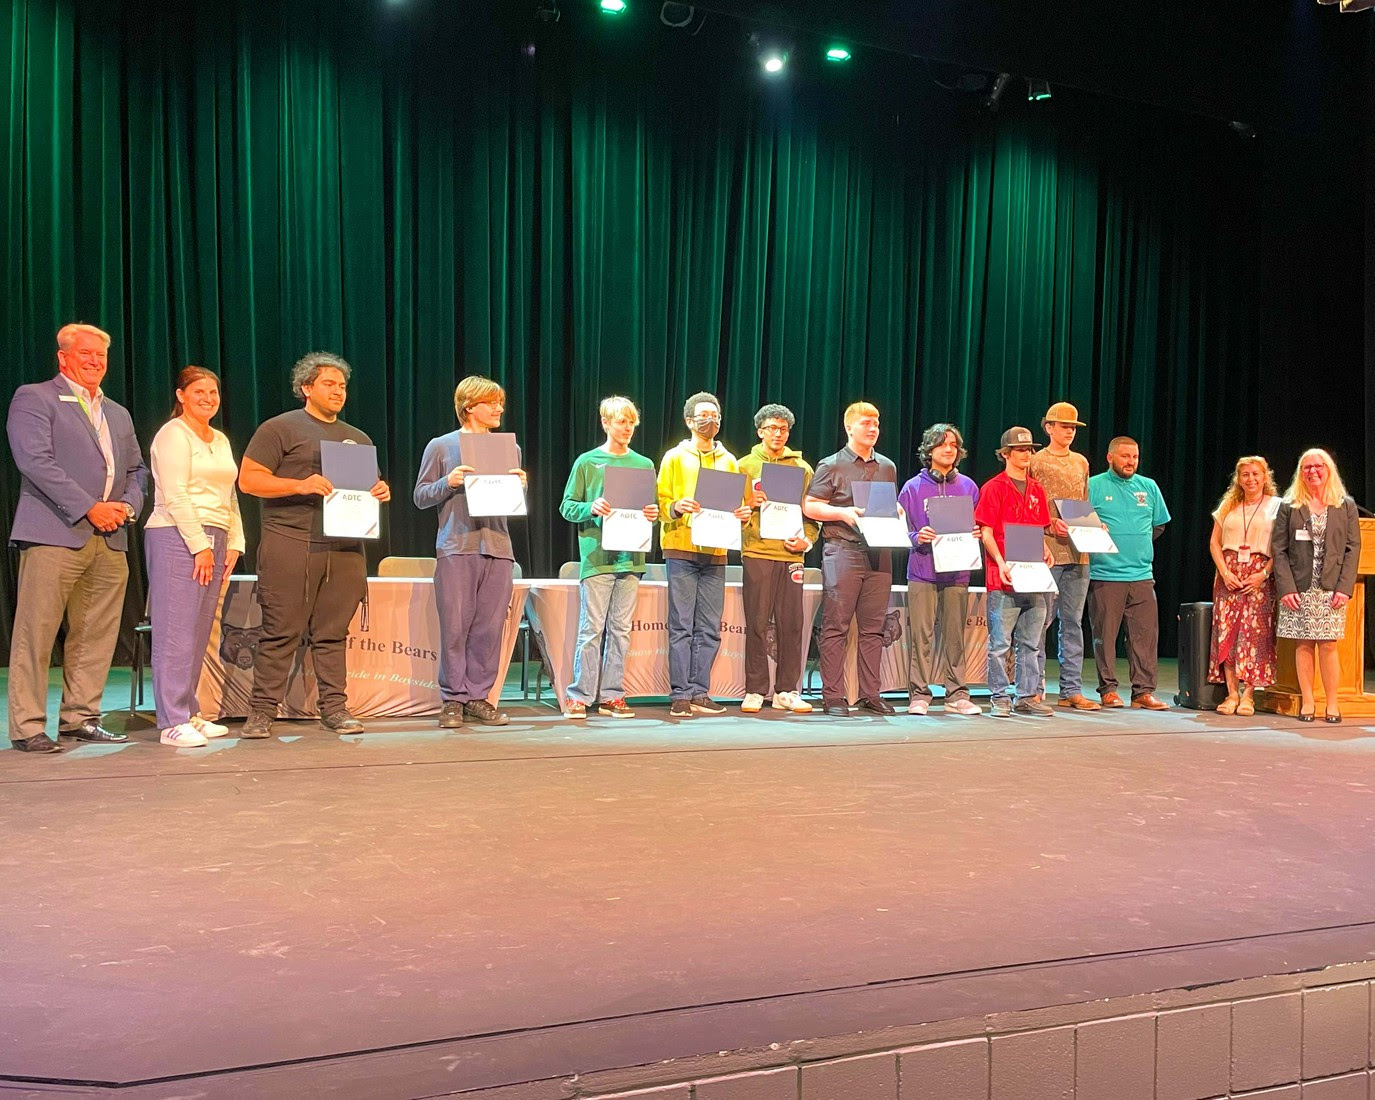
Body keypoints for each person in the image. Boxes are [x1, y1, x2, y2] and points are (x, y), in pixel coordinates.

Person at [6, 323, 148, 753]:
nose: (95, 361)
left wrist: (126, 507)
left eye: (101, 355)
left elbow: (137, 471)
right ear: (63, 357)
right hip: (55, 532)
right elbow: (35, 460)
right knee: (37, 633)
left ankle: (80, 718)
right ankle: (28, 726)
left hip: (110, 539)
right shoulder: (35, 397)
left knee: (97, 633)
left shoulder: (117, 412)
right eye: (85, 353)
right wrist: (90, 507)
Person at [238, 352, 390, 739]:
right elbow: (249, 481)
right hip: (291, 541)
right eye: (329, 383)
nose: (338, 391)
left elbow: (363, 486)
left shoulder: (358, 438)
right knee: (280, 630)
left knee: (333, 632)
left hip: (344, 547)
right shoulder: (279, 429)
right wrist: (300, 484)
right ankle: (261, 712)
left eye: (342, 385)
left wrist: (379, 489)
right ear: (306, 388)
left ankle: (335, 709)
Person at [414, 375, 526, 729]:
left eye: (500, 403)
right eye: (491, 402)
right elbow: (420, 496)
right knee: (456, 626)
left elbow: (509, 505)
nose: (498, 409)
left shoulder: (509, 448)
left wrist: (519, 486)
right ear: (469, 406)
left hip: (498, 547)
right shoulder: (442, 446)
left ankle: (479, 697)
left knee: (489, 628)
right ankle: (452, 699)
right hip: (457, 545)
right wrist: (449, 482)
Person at [145, 367, 245, 746]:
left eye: (213, 392)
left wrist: (234, 541)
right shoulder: (173, 434)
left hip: (216, 534)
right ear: (181, 395)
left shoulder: (219, 438)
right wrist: (199, 545)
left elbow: (229, 494)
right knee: (176, 631)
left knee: (199, 630)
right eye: (199, 391)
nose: (207, 398)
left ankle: (189, 710)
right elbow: (175, 494)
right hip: (177, 534)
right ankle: (171, 720)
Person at [558, 396, 658, 720]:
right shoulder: (588, 462)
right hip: (598, 558)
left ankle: (612, 695)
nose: (627, 427)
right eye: (621, 421)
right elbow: (567, 506)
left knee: (620, 630)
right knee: (592, 629)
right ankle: (580, 695)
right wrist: (591, 508)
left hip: (632, 558)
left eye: (631, 422)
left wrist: (652, 513)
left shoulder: (644, 465)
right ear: (606, 423)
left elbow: (649, 508)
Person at [656, 391, 751, 718]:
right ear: (689, 421)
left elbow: (739, 505)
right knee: (681, 624)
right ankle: (680, 694)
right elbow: (659, 504)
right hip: (681, 547)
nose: (710, 422)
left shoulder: (730, 461)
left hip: (716, 550)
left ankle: (700, 691)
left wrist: (743, 515)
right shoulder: (673, 457)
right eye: (704, 416)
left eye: (716, 416)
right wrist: (676, 507)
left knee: (709, 626)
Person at [804, 401, 899, 718]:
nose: (873, 428)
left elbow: (887, 505)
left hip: (879, 554)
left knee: (874, 629)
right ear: (849, 427)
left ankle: (871, 693)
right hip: (843, 550)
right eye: (866, 423)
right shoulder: (831, 465)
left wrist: (896, 511)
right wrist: (842, 513)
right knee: (836, 627)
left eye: (876, 423)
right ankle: (833, 696)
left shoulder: (887, 466)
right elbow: (810, 505)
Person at [738, 403, 819, 714]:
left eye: (783, 429)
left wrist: (807, 540)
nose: (778, 434)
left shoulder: (803, 468)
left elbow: (812, 515)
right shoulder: (744, 466)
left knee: (792, 623)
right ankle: (755, 689)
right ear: (760, 431)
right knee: (757, 622)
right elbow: (730, 512)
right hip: (757, 550)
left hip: (791, 553)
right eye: (772, 428)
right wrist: (748, 503)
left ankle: (787, 689)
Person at [1271, 449, 1361, 723]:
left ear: (1328, 469)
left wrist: (1345, 588)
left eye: (1318, 466)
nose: (1313, 471)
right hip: (1298, 589)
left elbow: (1352, 548)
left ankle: (1331, 704)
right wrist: (1286, 588)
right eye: (1307, 467)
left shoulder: (1345, 505)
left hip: (1332, 588)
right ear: (1301, 472)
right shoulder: (1290, 505)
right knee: (1304, 644)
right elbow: (1279, 549)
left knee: (1329, 644)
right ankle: (1307, 702)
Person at [898, 423, 981, 716]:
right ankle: (919, 694)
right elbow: (900, 529)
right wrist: (916, 537)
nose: (949, 450)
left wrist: (976, 534)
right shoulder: (912, 487)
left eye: (953, 445)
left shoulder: (969, 486)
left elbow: (978, 525)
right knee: (921, 635)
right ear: (929, 451)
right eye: (942, 445)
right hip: (923, 570)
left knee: (955, 635)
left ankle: (956, 693)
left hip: (958, 572)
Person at [974, 427, 1056, 718]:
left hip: (1033, 578)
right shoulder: (993, 487)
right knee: (1000, 644)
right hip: (1003, 578)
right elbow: (985, 532)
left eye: (1030, 450)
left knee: (1032, 643)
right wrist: (1001, 562)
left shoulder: (1036, 489)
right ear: (1005, 454)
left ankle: (1027, 696)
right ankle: (999, 697)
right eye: (1020, 450)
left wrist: (1045, 549)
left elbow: (1039, 530)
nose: (1026, 454)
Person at [1087, 436, 1171, 710]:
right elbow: (1080, 523)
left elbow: (1158, 525)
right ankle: (1108, 690)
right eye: (1124, 456)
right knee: (1105, 637)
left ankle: (1143, 692)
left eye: (1134, 457)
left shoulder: (1148, 487)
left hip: (1142, 575)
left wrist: (1136, 546)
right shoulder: (1094, 486)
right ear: (1110, 457)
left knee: (1144, 637)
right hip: (1105, 575)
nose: (1130, 462)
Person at [1029, 402, 1100, 711]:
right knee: (1040, 620)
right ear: (1049, 428)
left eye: (1073, 427)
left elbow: (1082, 503)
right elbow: (1028, 502)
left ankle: (1071, 689)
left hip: (1077, 551)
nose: (1070, 431)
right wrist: (1046, 524)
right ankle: (1033, 686)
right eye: (1064, 426)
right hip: (1046, 549)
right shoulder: (1035, 462)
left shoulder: (1081, 462)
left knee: (1072, 621)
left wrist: (1094, 525)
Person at [1207, 456, 1281, 716]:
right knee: (1228, 633)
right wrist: (1224, 572)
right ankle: (1231, 694)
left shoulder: (1277, 506)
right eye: (1245, 475)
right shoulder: (1229, 505)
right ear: (1238, 479)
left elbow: (1281, 548)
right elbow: (1215, 543)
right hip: (1229, 576)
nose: (1251, 479)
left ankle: (1249, 695)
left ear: (1265, 476)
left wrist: (1263, 573)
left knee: (1253, 635)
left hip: (1258, 578)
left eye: (1255, 474)